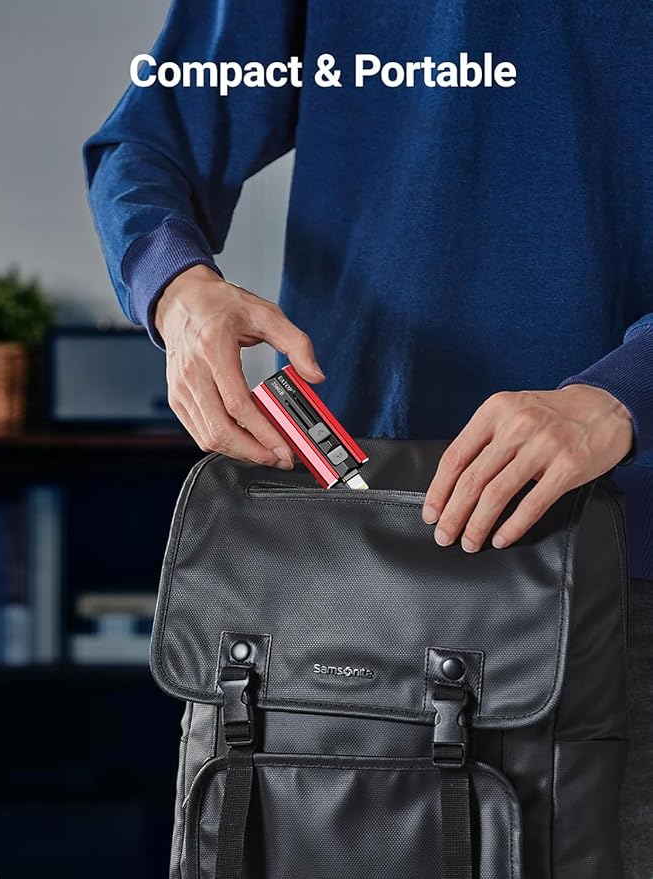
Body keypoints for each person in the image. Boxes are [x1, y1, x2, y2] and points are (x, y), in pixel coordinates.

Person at [84, 2, 652, 873]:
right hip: (337, 567)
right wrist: (177, 291)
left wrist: (622, 394)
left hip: (626, 574)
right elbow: (148, 139)